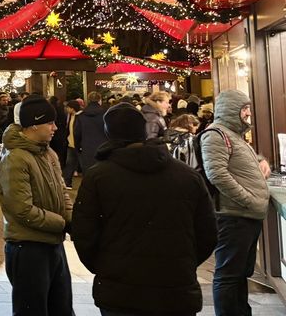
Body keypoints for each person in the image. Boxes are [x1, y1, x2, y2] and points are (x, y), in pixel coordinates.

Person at [71, 103, 217, 316]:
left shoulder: (98, 177)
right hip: (175, 288)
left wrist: (105, 267)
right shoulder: (187, 176)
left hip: (120, 290)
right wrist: (184, 262)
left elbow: (84, 232)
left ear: (108, 133)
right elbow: (208, 231)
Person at [0, 95, 73, 316]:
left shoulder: (48, 153)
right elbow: (21, 209)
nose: (55, 127)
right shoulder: (15, 158)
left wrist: (71, 220)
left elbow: (62, 192)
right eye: (49, 122)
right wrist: (60, 223)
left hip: (52, 244)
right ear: (33, 125)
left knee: (62, 308)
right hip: (28, 249)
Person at [200, 89, 271, 316]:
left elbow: (238, 162)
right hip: (234, 216)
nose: (249, 112)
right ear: (232, 109)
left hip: (246, 215)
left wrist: (261, 162)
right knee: (229, 275)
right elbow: (217, 174)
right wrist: (248, 199)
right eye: (245, 108)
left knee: (240, 272)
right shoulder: (215, 135)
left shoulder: (233, 135)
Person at [74, 92, 107, 174]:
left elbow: (77, 133)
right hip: (104, 148)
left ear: (88, 100)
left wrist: (78, 147)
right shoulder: (106, 114)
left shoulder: (81, 115)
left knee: (89, 175)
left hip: (87, 148)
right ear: (100, 100)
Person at [61, 100, 80, 188]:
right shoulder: (70, 116)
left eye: (68, 107)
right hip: (70, 144)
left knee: (81, 164)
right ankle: (67, 183)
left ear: (72, 108)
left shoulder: (80, 117)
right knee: (70, 163)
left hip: (79, 145)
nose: (66, 109)